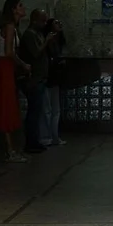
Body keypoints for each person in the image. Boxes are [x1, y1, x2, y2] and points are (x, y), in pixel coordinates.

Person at [0, 0, 31, 163]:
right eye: (20, 5)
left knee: (8, 105)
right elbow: (8, 51)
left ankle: (11, 148)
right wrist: (23, 64)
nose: (23, 8)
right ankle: (10, 150)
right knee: (6, 106)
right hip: (5, 67)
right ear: (13, 9)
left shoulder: (13, 27)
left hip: (7, 67)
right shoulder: (9, 27)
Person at [18, 9, 57, 153]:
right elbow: (35, 53)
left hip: (40, 78)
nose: (45, 23)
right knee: (34, 111)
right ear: (34, 20)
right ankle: (31, 142)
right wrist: (46, 41)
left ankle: (35, 140)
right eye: (43, 21)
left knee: (38, 111)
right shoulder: (30, 35)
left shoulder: (38, 34)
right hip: (34, 79)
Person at [43, 18, 67, 146]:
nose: (59, 24)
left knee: (54, 110)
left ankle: (53, 136)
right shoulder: (49, 41)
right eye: (56, 23)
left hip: (55, 77)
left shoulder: (58, 41)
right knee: (49, 109)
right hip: (50, 77)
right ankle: (49, 137)